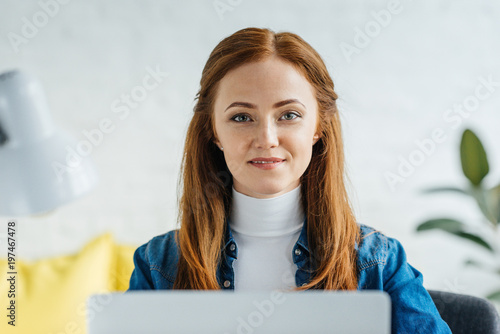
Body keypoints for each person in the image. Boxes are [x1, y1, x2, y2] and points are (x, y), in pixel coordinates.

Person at [127, 27, 452, 333]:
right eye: (241, 117)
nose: (266, 138)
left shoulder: (377, 260)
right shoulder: (158, 264)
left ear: (318, 128)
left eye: (289, 115)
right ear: (213, 131)